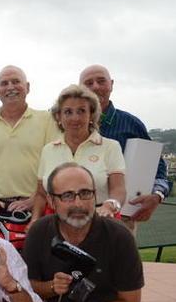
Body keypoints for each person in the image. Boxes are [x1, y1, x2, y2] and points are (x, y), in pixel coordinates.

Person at [23, 162, 143, 302]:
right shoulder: (39, 231)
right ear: (51, 200)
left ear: (95, 196)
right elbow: (29, 286)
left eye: (85, 193)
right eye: (67, 195)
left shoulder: (119, 236)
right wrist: (51, 287)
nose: (78, 204)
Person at [79, 64, 170, 231]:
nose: (95, 87)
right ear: (79, 89)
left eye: (101, 81)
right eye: (88, 83)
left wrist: (157, 195)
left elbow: (158, 167)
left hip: (120, 218)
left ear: (111, 84)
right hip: (74, 218)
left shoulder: (131, 124)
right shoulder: (64, 125)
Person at [0, 65, 59, 215]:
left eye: (16, 81)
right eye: (4, 83)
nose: (10, 87)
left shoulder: (47, 120)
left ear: (27, 87)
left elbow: (55, 165)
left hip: (37, 208)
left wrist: (35, 199)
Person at [31, 85, 126, 223]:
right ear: (58, 116)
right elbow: (41, 194)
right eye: (68, 112)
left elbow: (118, 189)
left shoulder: (110, 147)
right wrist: (35, 220)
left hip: (98, 220)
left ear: (91, 115)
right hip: (56, 223)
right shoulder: (48, 150)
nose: (75, 118)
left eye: (81, 111)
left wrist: (110, 205)